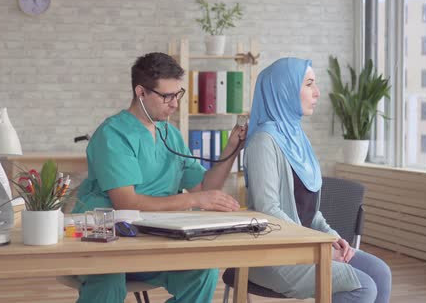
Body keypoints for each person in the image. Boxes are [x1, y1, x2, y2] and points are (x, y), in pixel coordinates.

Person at [72, 52, 246, 303]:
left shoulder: (170, 134)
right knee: (108, 279)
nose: (175, 104)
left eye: (178, 94)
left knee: (203, 271)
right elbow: (126, 202)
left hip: (157, 239)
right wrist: (193, 201)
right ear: (141, 92)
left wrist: (231, 149)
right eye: (167, 96)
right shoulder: (113, 134)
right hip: (109, 241)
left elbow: (204, 185)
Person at [244, 57, 392, 303]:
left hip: (308, 245)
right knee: (364, 287)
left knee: (380, 273)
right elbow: (269, 211)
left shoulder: (297, 138)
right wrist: (319, 250)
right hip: (274, 255)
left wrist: (332, 237)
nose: (318, 92)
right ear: (286, 89)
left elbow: (310, 212)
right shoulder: (263, 142)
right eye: (309, 84)